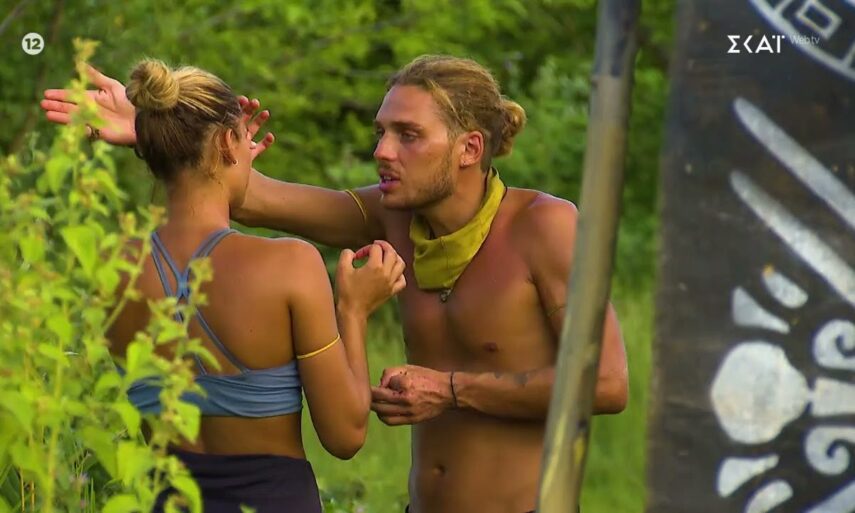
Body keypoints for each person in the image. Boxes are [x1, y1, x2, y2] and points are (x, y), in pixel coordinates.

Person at [42, 54, 628, 513]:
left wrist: (449, 390)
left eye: (408, 135)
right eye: (381, 131)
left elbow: (606, 383)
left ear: (469, 147)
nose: (382, 151)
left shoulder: (546, 226)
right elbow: (242, 195)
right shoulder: (392, 216)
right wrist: (158, 130)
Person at [74, 59, 406, 513]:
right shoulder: (290, 265)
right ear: (229, 142)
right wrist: (354, 310)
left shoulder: (110, 267)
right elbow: (345, 435)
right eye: (241, 140)